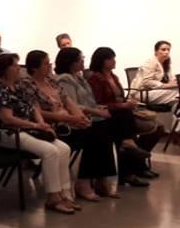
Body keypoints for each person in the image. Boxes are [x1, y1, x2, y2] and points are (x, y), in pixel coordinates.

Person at [21, 50, 117, 202]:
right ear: (34, 67)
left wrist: (79, 117)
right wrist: (70, 118)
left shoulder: (51, 81)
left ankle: (100, 178)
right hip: (54, 124)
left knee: (102, 130)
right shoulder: (27, 85)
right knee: (93, 135)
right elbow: (36, 112)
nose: (50, 65)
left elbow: (68, 102)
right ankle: (83, 182)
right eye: (46, 63)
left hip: (68, 121)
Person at [0, 53, 76, 214]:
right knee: (49, 151)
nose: (18, 68)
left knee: (64, 148)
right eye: (14, 65)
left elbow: (34, 106)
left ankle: (65, 193)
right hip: (6, 132)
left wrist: (41, 123)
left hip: (29, 128)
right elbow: (7, 119)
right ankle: (53, 197)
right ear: (5, 70)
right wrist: (36, 125)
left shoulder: (19, 86)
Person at [56, 47, 140, 197]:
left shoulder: (80, 78)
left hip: (90, 117)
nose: (83, 61)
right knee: (99, 133)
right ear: (71, 62)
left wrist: (98, 108)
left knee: (106, 129)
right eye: (80, 59)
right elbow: (73, 105)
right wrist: (96, 111)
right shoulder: (64, 79)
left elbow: (91, 101)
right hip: (74, 121)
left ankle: (102, 178)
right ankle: (84, 181)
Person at [88, 47, 163, 183]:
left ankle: (137, 162)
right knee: (126, 133)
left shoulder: (113, 77)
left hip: (123, 113)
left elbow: (120, 98)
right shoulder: (95, 79)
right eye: (111, 59)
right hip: (109, 116)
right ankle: (132, 167)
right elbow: (98, 103)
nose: (114, 61)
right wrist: (122, 105)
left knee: (158, 129)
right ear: (102, 61)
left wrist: (128, 104)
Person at [129, 40, 178, 106]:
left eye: (168, 50)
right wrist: (165, 85)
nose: (166, 52)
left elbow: (170, 79)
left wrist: (175, 82)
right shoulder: (150, 62)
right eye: (163, 49)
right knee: (177, 94)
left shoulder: (166, 63)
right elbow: (146, 82)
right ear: (156, 51)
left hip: (155, 91)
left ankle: (175, 114)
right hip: (142, 92)